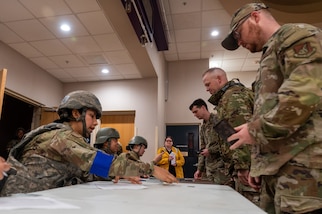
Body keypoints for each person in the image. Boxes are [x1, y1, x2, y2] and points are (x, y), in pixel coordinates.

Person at [222, 2, 322, 214]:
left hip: (302, 168)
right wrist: (259, 165)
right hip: (277, 169)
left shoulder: (297, 36)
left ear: (255, 17)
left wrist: (255, 130)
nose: (239, 42)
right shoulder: (270, 55)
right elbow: (268, 110)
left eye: (238, 34)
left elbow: (302, 97)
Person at [0, 90, 177, 197]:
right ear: (76, 113)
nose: (95, 123)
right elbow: (97, 161)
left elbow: (85, 171)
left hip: (38, 199)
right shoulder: (61, 137)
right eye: (92, 116)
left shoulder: (73, 139)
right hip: (20, 201)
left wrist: (120, 174)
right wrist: (151, 168)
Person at [202, 67, 258, 204]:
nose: (207, 89)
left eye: (208, 84)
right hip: (248, 163)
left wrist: (242, 166)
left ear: (219, 79)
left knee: (248, 205)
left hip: (248, 167)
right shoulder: (231, 96)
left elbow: (240, 135)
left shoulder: (232, 97)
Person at [189, 98, 229, 184]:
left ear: (203, 108)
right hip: (209, 170)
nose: (194, 115)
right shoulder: (203, 128)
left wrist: (211, 150)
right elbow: (202, 150)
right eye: (193, 113)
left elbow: (229, 141)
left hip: (222, 169)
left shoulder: (218, 120)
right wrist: (199, 169)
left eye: (196, 111)